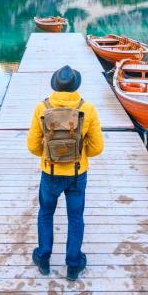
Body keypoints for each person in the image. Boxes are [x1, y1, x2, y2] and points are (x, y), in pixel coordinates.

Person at [27, 64, 104, 281]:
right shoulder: (87, 109)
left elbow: (32, 147)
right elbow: (97, 148)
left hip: (50, 173)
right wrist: (79, 150)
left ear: (55, 85)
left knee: (45, 214)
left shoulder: (41, 108)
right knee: (75, 217)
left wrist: (50, 151)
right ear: (75, 86)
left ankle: (43, 259)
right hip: (77, 174)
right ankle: (73, 265)